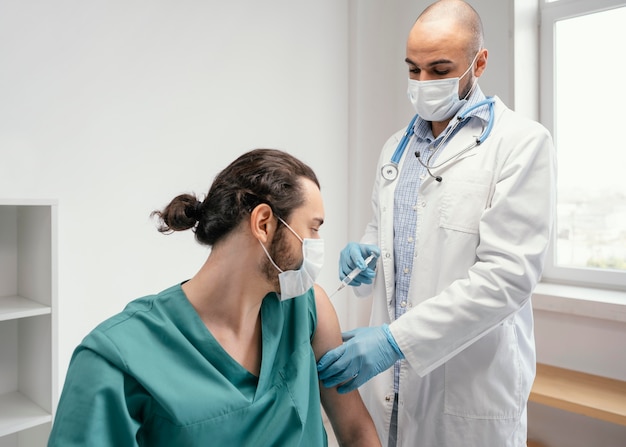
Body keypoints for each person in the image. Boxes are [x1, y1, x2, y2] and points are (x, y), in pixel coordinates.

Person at [316, 1, 556, 446]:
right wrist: (365, 254)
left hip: (468, 390)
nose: (423, 82)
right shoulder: (396, 147)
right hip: (390, 389)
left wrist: (394, 341)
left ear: (479, 62)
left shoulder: (521, 144)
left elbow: (506, 279)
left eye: (439, 69)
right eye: (413, 69)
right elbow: (387, 233)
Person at [48, 148, 381, 446]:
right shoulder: (114, 359)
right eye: (313, 227)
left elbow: (355, 431)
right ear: (264, 223)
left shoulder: (308, 309)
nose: (318, 242)